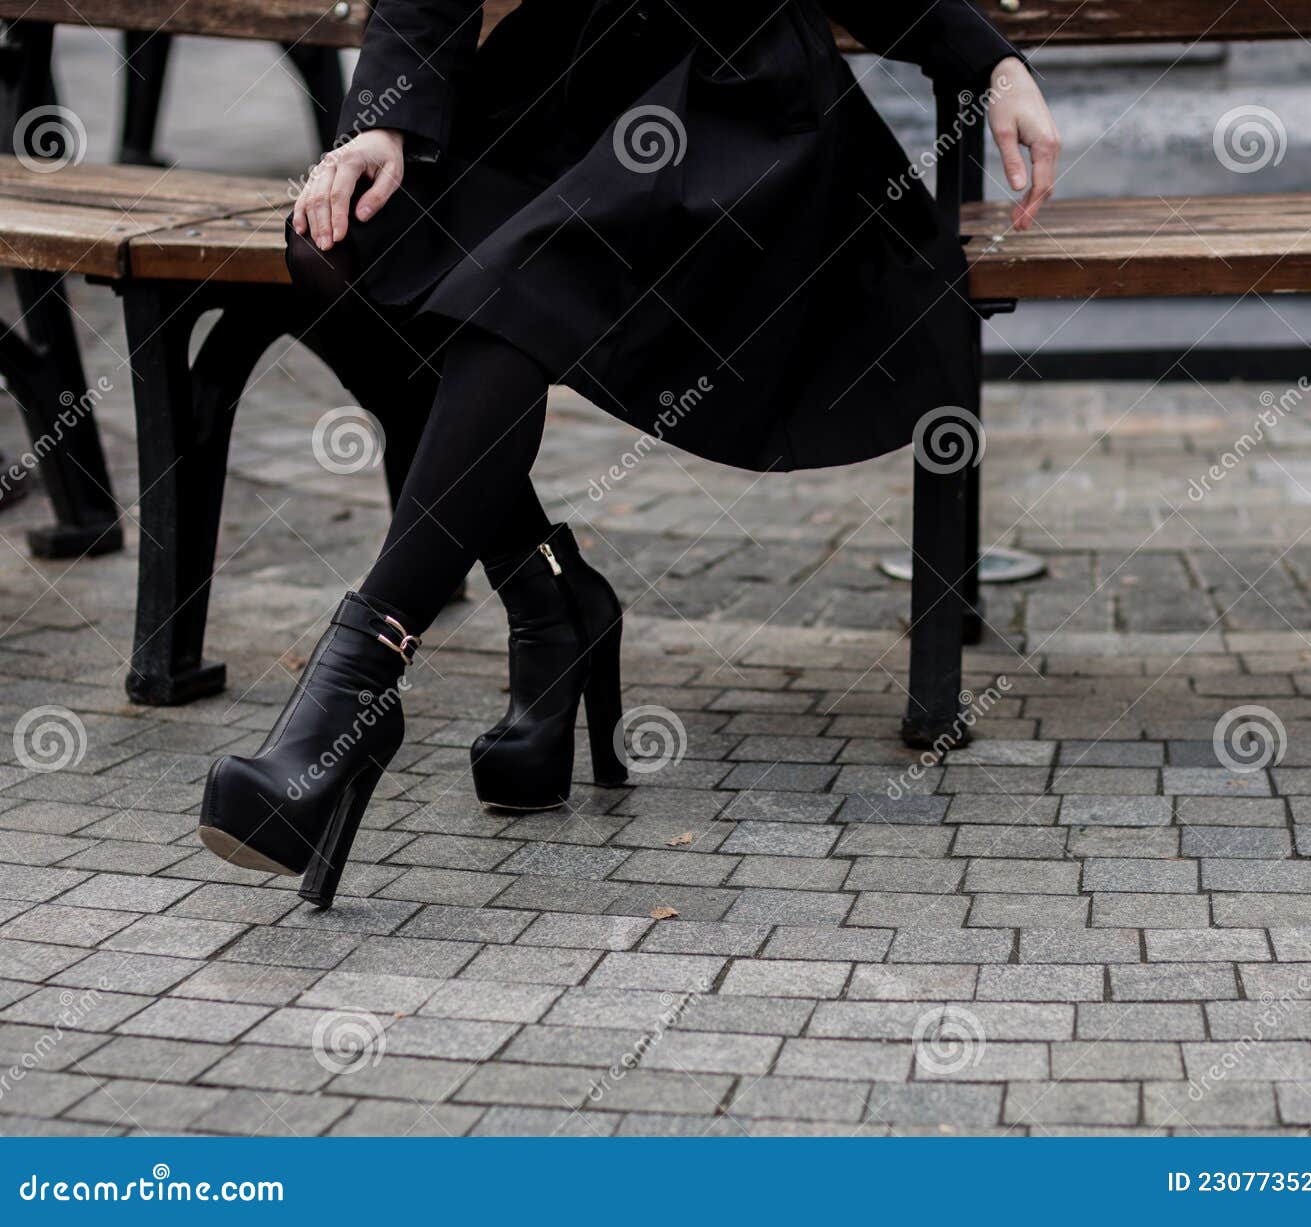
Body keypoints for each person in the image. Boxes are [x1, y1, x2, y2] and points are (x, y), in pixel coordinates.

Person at [199, 0, 1060, 908]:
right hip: (564, 81)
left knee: (519, 287)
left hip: (738, 122)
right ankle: (550, 602)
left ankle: (351, 694)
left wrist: (991, 62)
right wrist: (380, 120)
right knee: (342, 241)